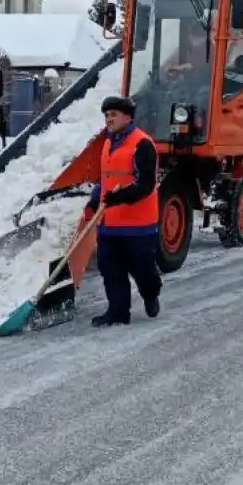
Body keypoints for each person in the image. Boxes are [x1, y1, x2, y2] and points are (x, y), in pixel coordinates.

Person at [82, 95, 163, 326]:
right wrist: (93, 202)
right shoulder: (107, 143)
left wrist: (119, 197)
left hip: (138, 226)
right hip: (109, 225)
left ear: (127, 116)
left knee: (143, 270)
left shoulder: (142, 144)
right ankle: (118, 312)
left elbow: (146, 185)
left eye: (113, 114)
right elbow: (106, 179)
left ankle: (151, 293)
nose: (109, 119)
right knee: (111, 270)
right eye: (106, 115)